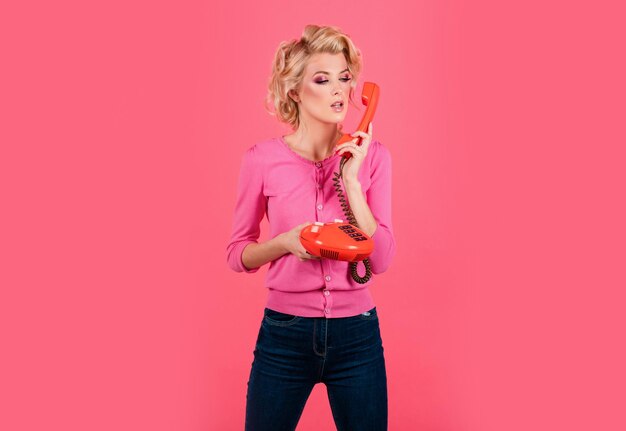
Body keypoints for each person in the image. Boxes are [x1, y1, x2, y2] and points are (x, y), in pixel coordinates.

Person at [226, 24, 396, 431]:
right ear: (295, 92)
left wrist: (352, 182)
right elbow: (237, 254)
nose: (340, 90)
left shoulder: (371, 157)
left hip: (358, 334)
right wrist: (283, 243)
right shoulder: (261, 160)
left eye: (345, 78)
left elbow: (383, 257)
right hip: (284, 334)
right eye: (322, 79)